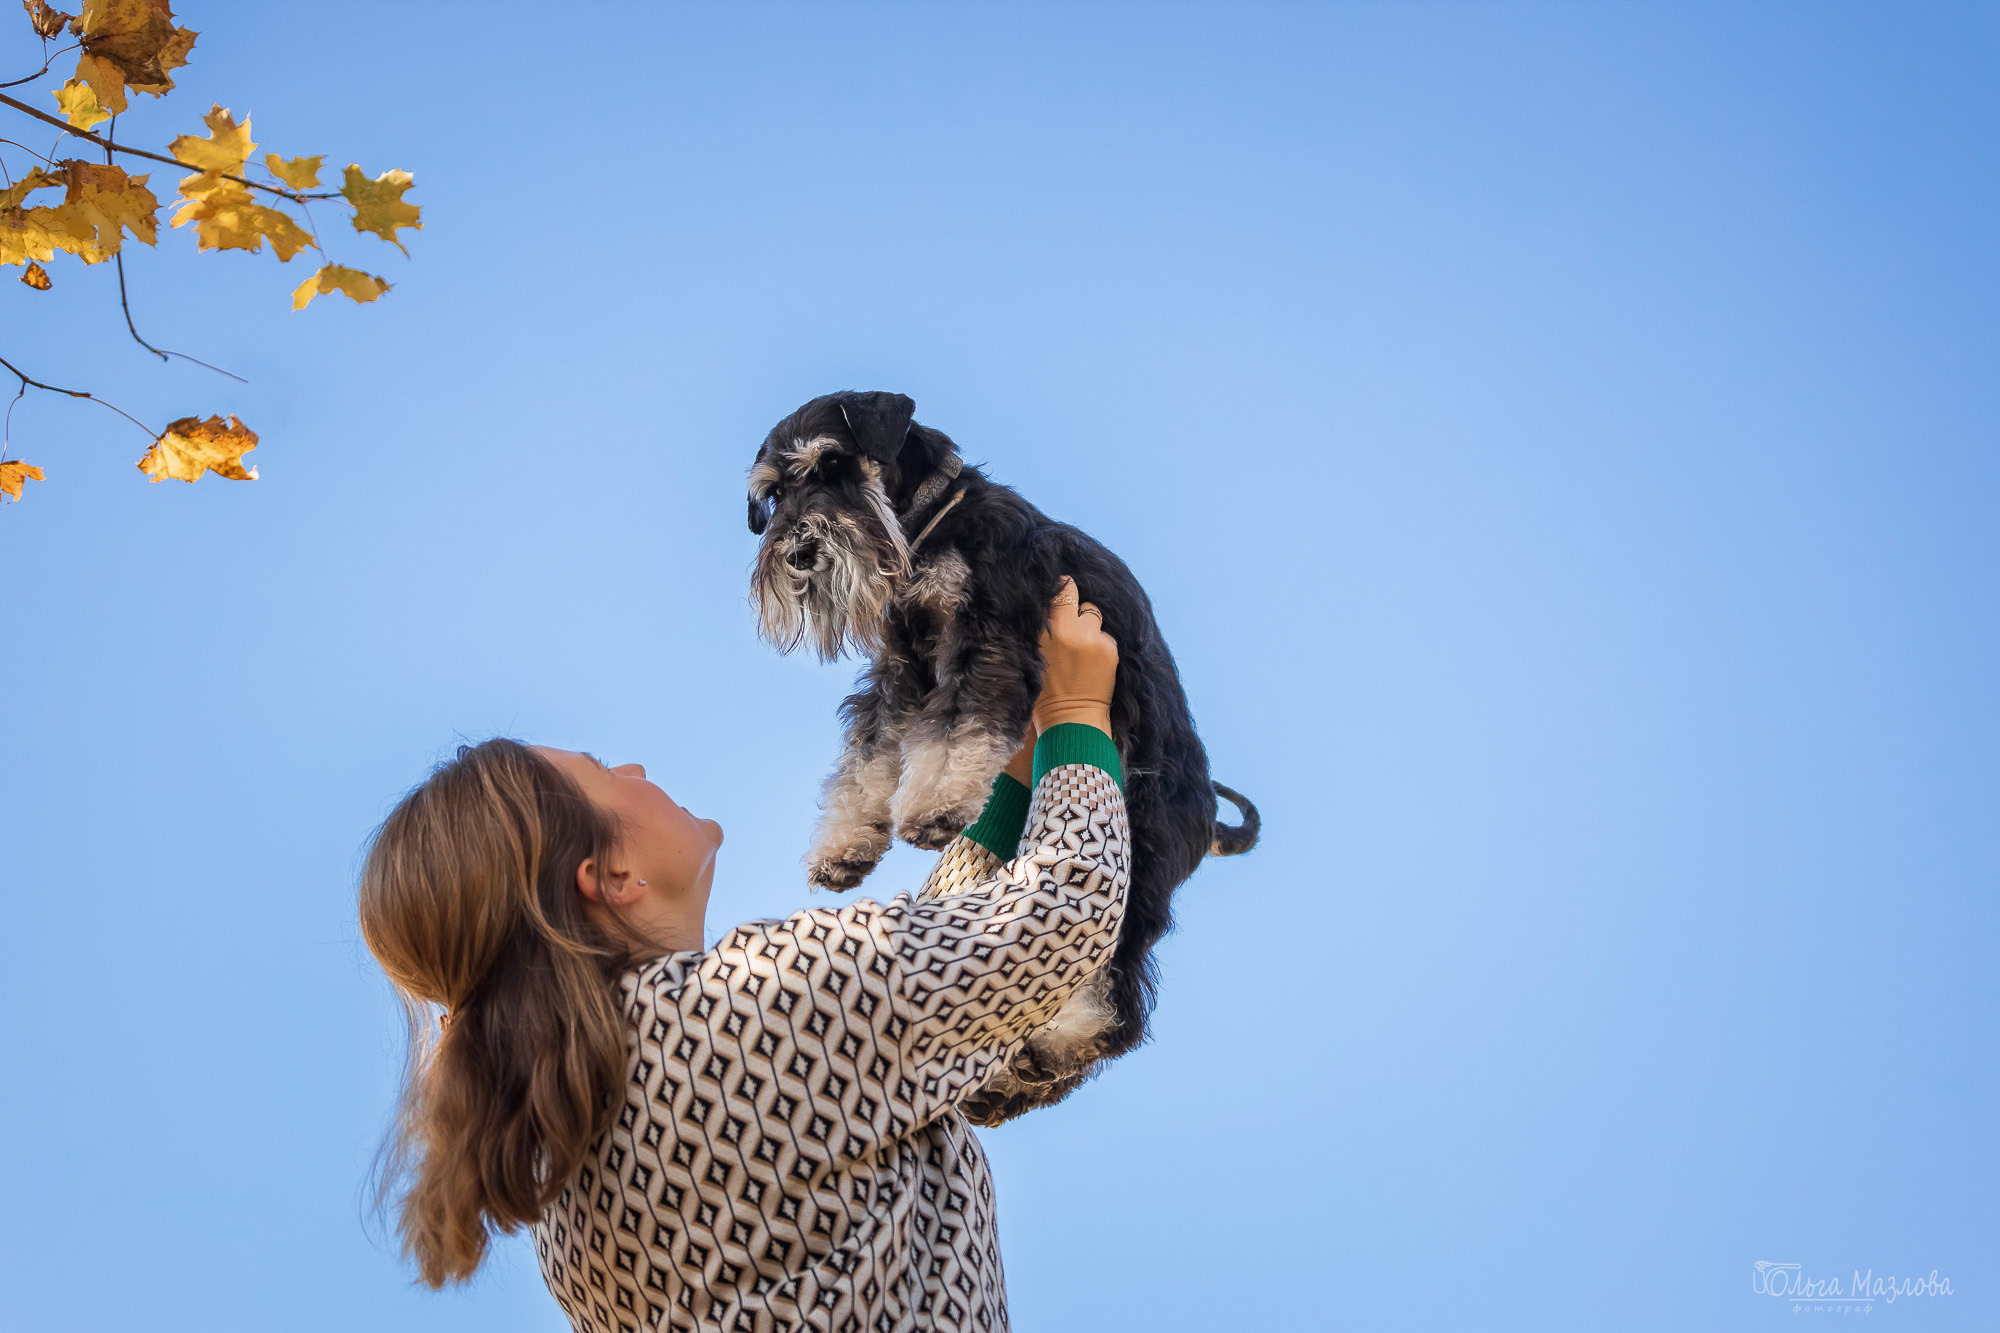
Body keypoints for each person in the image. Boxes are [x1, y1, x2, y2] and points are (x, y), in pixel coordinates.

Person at [360, 578, 1127, 1333]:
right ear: (611, 877)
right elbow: (1059, 913)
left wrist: (1012, 792)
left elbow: (906, 1010)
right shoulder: (743, 1006)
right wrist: (1076, 716)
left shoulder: (565, 1193)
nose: (633, 770)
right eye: (602, 774)